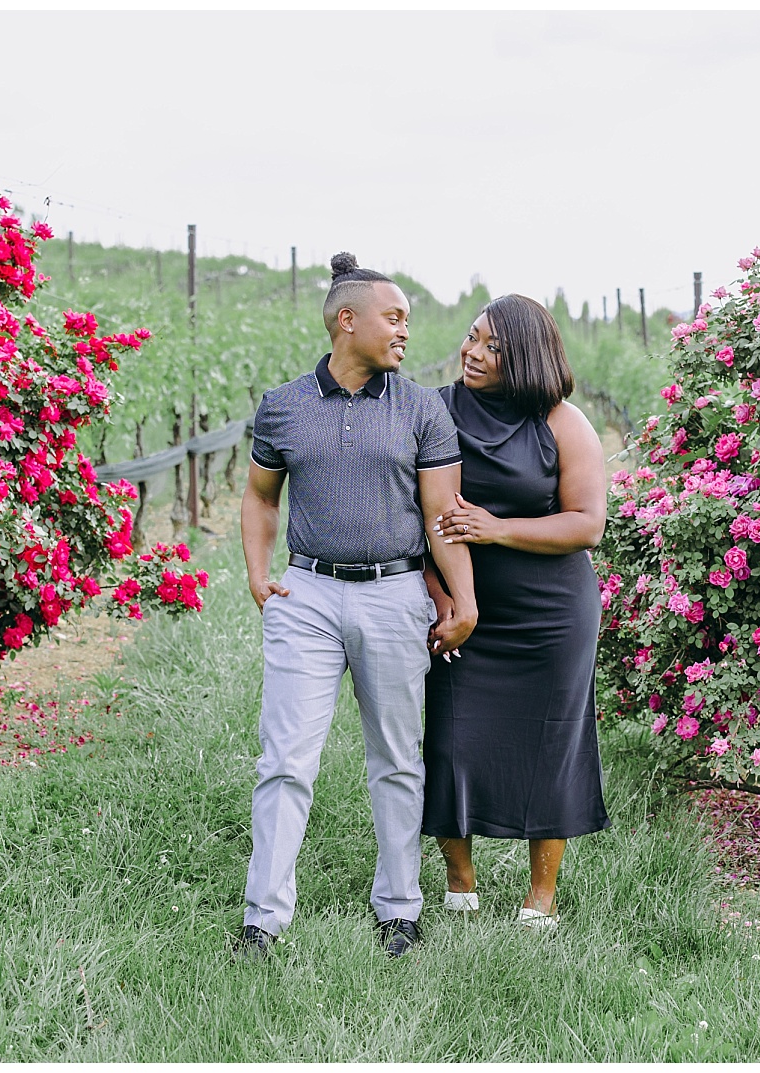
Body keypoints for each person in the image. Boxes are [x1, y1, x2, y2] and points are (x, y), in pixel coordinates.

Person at [234, 253, 477, 960]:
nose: (405, 331)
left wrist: (462, 597)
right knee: (285, 759)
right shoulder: (283, 407)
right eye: (393, 317)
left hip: (397, 593)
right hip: (307, 593)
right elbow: (259, 494)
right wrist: (259, 575)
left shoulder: (422, 407)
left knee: (398, 758)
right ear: (348, 321)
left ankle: (399, 907)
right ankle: (263, 918)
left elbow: (442, 515)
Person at [422, 293, 610, 930]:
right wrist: (445, 598)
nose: (473, 353)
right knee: (452, 738)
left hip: (552, 612)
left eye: (493, 347)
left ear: (525, 356)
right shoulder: (436, 411)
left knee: (550, 743)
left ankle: (540, 897)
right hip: (464, 603)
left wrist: (497, 529)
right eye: (472, 337)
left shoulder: (562, 422)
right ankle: (460, 881)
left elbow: (587, 525)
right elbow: (420, 519)